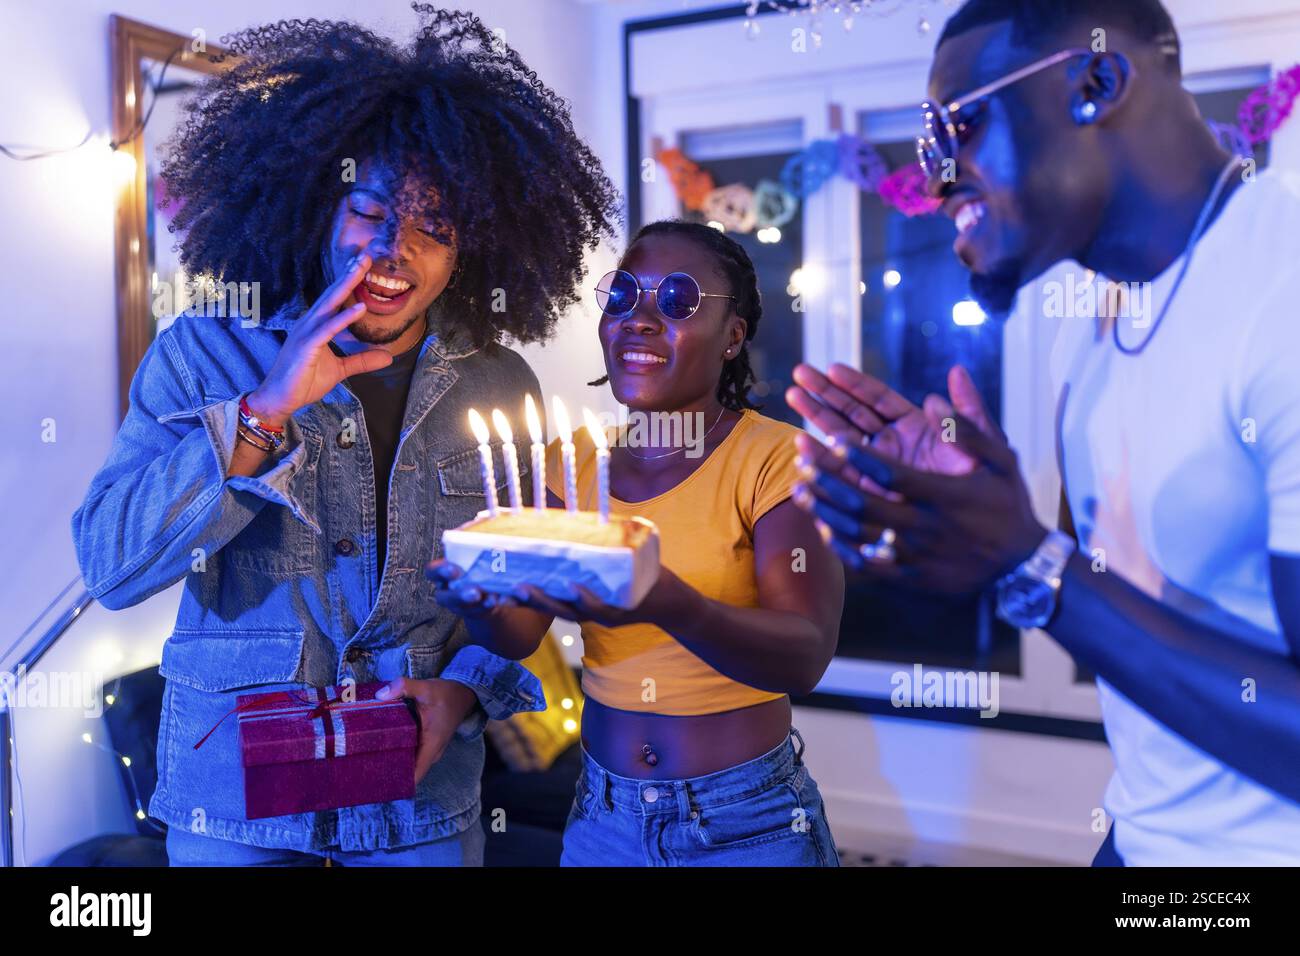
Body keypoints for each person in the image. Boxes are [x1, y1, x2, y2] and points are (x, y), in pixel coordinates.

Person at [72, 9, 620, 866]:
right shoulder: (202, 355)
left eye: (435, 227)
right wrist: (265, 410)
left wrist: (463, 692)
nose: (395, 251)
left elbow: (511, 592)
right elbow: (112, 567)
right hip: (236, 809)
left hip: (419, 810)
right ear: (320, 207)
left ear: (469, 249)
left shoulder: (497, 384)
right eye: (370, 211)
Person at [787, 0, 1300, 865]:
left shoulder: (1282, 295)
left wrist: (1029, 565)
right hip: (1139, 840)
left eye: (955, 128)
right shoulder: (1091, 324)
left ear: (1096, 81)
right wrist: (981, 528)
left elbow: (1056, 580)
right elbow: (1114, 612)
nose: (937, 180)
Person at [430, 221, 845, 866]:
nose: (639, 319)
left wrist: (667, 602)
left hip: (744, 824)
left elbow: (805, 658)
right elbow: (519, 636)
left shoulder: (779, 460)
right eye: (622, 296)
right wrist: (480, 602)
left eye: (677, 300)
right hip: (604, 818)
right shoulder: (573, 462)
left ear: (733, 335)